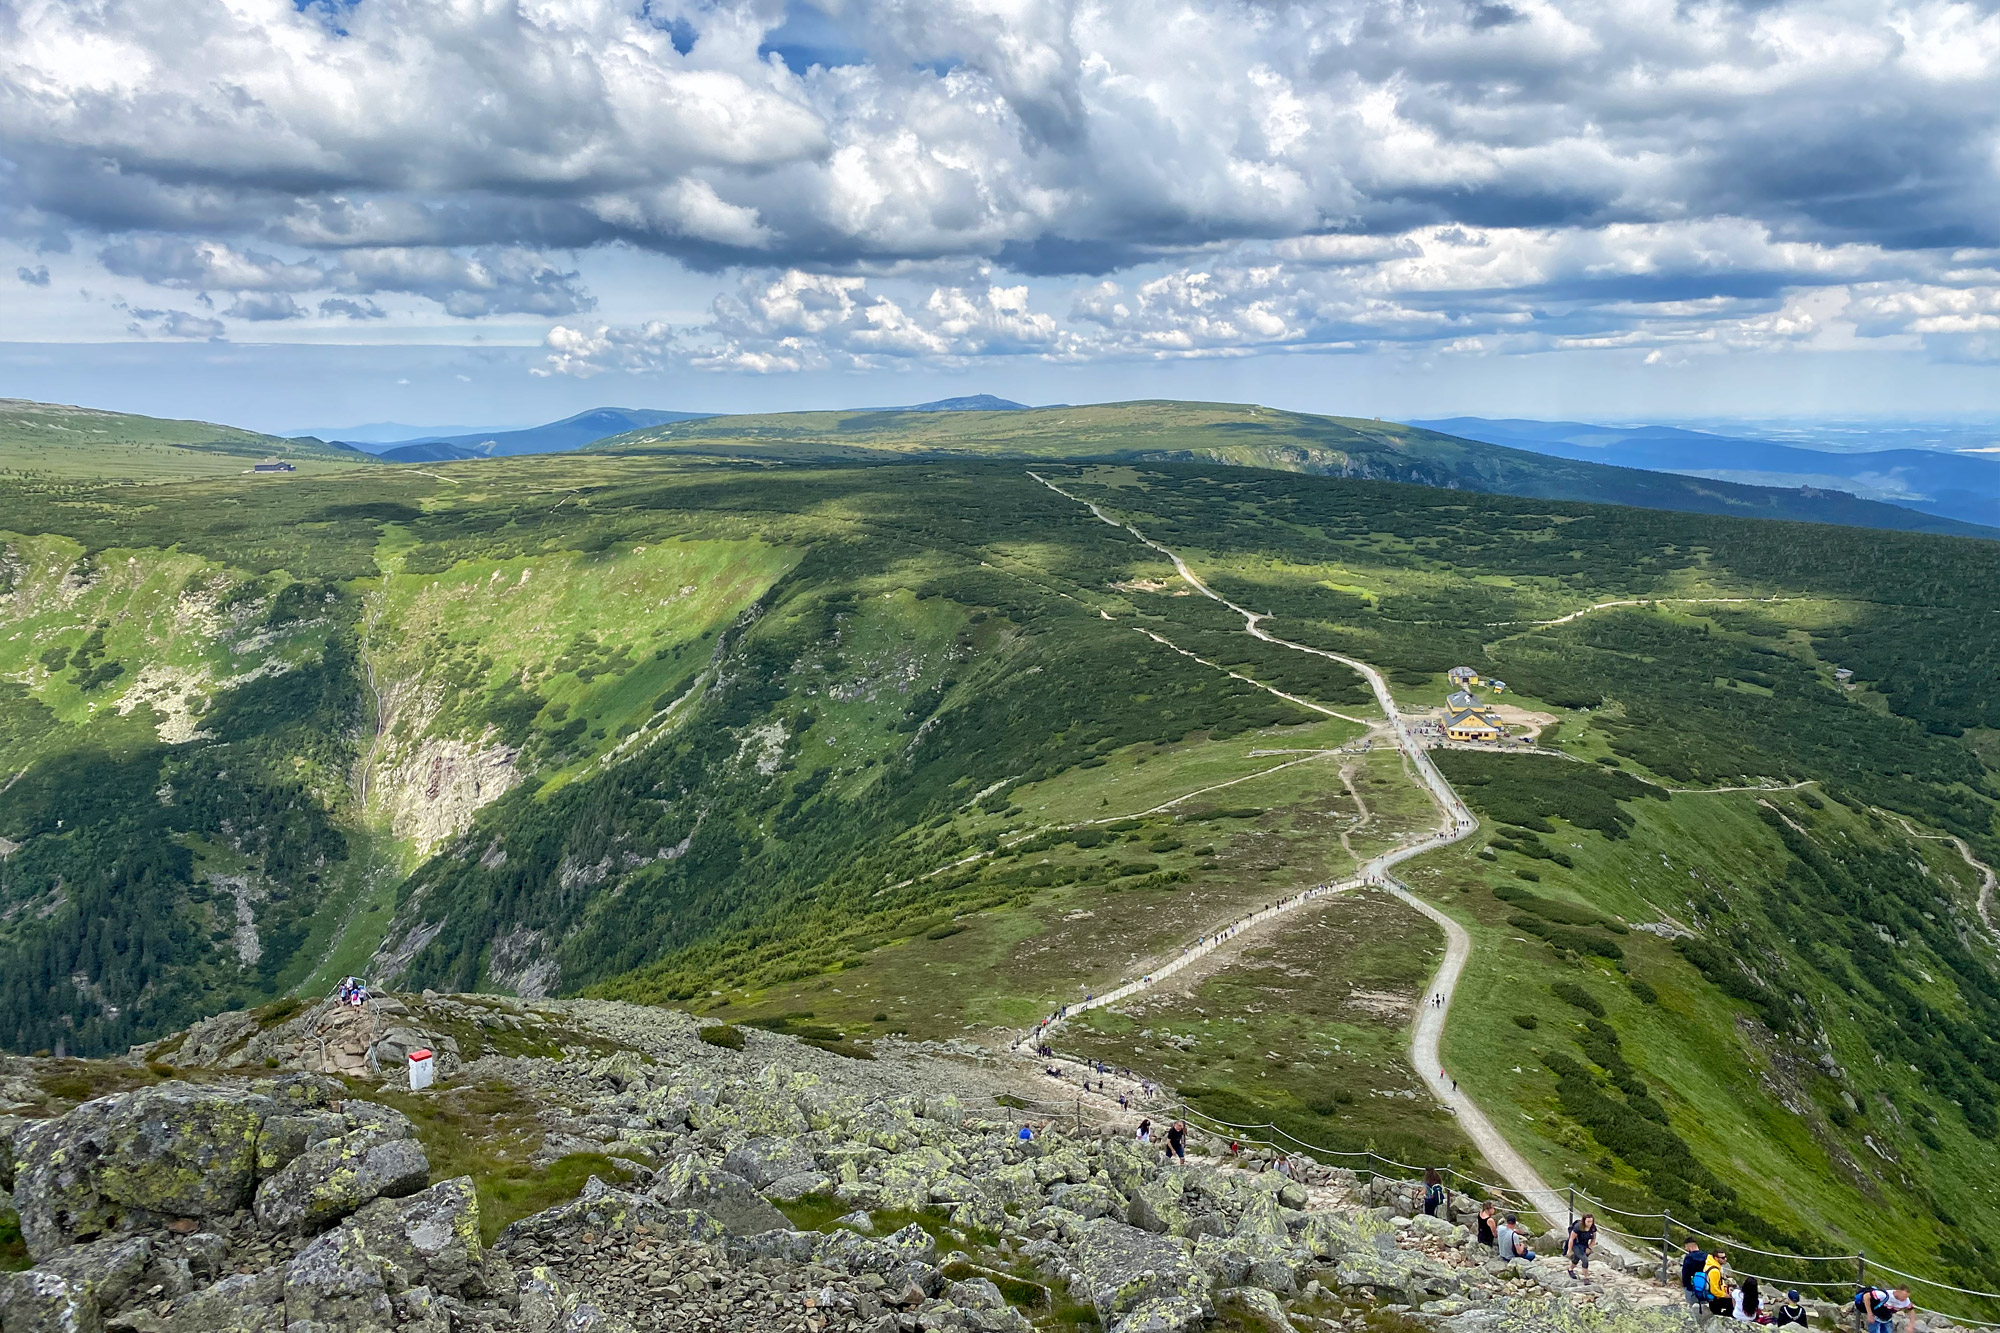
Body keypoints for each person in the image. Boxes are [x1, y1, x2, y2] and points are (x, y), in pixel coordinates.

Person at [1565, 1213, 1598, 1281]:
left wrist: (1589, 1248)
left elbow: (1593, 1240)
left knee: (1577, 1258)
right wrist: (1569, 1250)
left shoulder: (1593, 1228)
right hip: (1576, 1244)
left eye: (1591, 1221)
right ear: (1584, 1221)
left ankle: (1570, 1269)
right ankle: (1586, 1278)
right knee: (1585, 1260)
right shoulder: (1578, 1227)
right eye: (1588, 1221)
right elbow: (1571, 1239)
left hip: (1585, 1244)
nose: (1590, 1223)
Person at [1680, 1241, 1710, 1310]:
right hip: (1705, 1287)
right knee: (1704, 1308)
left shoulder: (1688, 1258)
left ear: (1689, 1247)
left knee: (1692, 1308)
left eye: (1686, 1248)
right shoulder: (1707, 1256)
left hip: (1691, 1288)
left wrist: (1685, 1285)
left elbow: (1685, 1274)